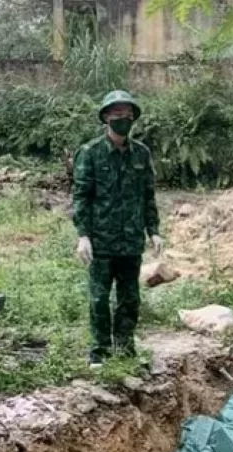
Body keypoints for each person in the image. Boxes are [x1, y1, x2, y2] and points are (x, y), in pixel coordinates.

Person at [72, 90, 163, 367]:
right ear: (106, 118)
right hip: (101, 241)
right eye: (117, 114)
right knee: (99, 298)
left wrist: (154, 230)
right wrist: (83, 235)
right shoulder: (90, 153)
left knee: (129, 299)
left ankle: (124, 349)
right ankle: (99, 352)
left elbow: (148, 195)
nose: (123, 119)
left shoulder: (142, 154)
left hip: (131, 241)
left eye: (127, 114)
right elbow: (81, 196)